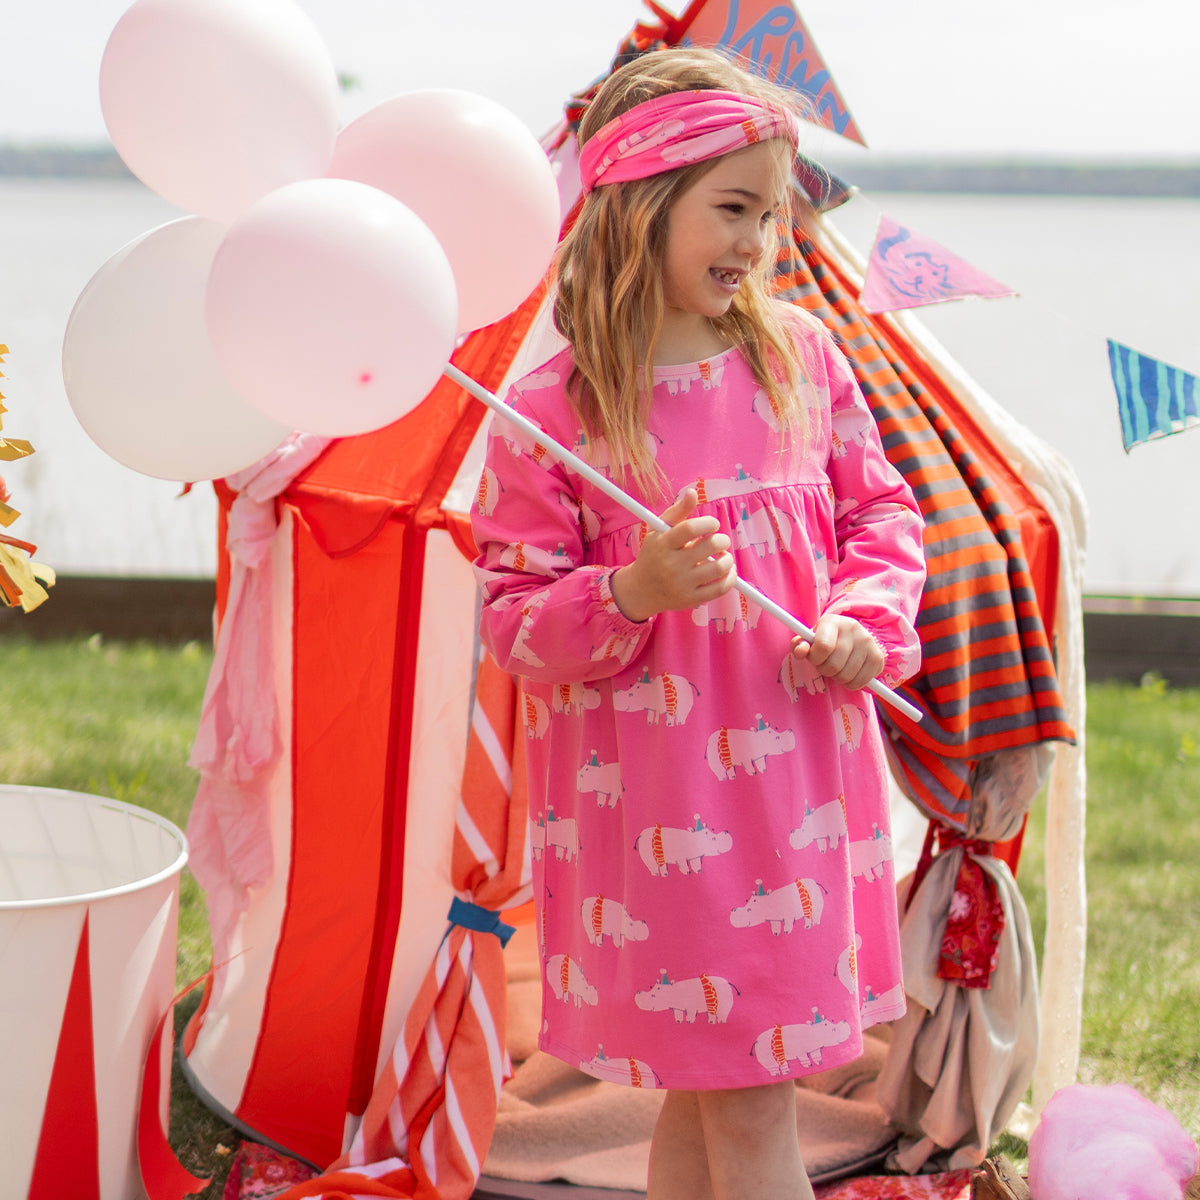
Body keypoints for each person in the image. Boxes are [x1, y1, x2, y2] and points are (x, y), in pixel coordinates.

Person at [471, 46, 926, 1200]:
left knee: (723, 1089)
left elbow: (881, 514)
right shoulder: (553, 415)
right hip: (656, 825)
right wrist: (632, 593)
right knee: (736, 1092)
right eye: (733, 208)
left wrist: (862, 620)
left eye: (771, 215)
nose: (759, 241)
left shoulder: (801, 364)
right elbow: (513, 623)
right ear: (643, 201)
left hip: (798, 813)